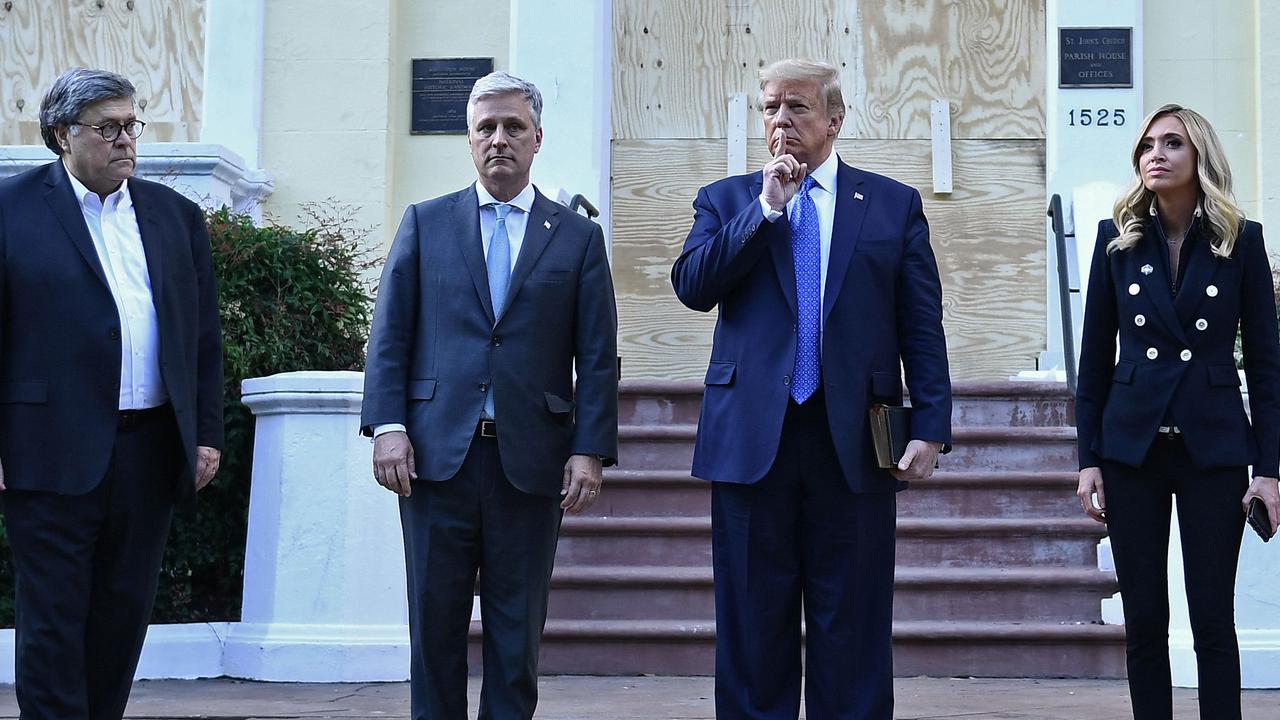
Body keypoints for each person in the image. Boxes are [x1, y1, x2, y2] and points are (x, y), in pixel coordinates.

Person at [670, 58, 952, 720]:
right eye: (769, 108)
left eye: (796, 108)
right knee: (750, 628)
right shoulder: (727, 199)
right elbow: (693, 286)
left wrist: (931, 424)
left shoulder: (892, 204)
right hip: (751, 444)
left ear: (835, 119)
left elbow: (922, 324)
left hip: (852, 441)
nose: (780, 121)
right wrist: (768, 209)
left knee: (851, 629)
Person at [361, 70, 619, 720]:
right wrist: (388, 424)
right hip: (436, 462)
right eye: (486, 128)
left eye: (513, 127)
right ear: (469, 140)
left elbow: (596, 356)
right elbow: (390, 334)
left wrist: (589, 450)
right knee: (434, 633)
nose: (499, 139)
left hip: (529, 466)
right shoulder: (426, 223)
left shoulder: (579, 239)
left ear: (537, 139)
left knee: (515, 641)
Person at [0, 68, 223, 720]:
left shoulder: (175, 217)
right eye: (108, 128)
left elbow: (201, 339)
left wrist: (204, 431)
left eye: (132, 124)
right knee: (53, 621)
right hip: (45, 450)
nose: (126, 140)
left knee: (122, 617)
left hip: (148, 450)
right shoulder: (11, 211)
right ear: (62, 135)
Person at [1075, 104, 1280, 720]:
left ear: (1200, 158)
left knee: (1213, 616)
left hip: (1213, 448)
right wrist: (1089, 460)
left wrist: (1268, 469)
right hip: (1132, 447)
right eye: (1146, 146)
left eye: (1172, 144)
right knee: (1144, 619)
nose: (1155, 155)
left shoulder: (1241, 240)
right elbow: (1093, 364)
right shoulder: (1117, 244)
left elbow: (1267, 367)